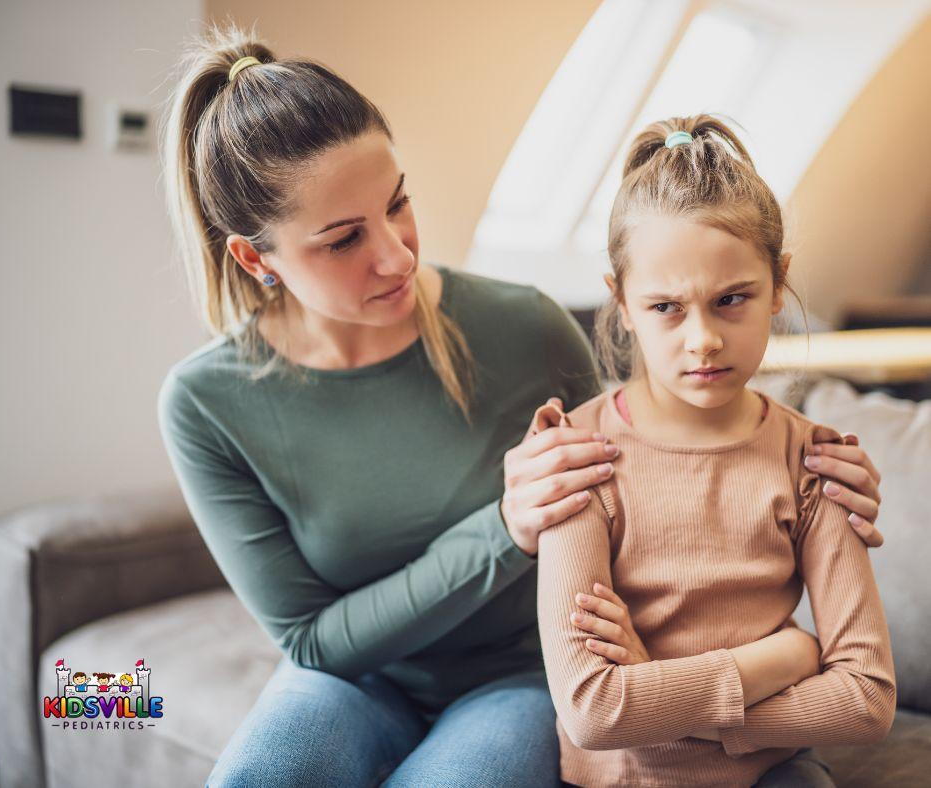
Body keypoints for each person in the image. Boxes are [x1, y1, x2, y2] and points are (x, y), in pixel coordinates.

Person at [156, 23, 885, 787]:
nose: (398, 254)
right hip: (350, 682)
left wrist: (814, 482)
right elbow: (312, 639)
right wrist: (505, 528)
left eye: (398, 203)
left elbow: (660, 454)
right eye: (342, 239)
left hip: (521, 676)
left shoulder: (522, 325)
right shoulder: (206, 403)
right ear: (254, 257)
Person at [533, 116, 895, 788]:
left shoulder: (813, 462)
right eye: (667, 307)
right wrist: (788, 656)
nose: (702, 338)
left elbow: (866, 700)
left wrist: (657, 690)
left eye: (732, 299)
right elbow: (594, 711)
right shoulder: (577, 456)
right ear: (620, 302)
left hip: (773, 775)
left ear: (779, 283)